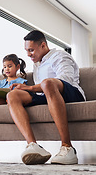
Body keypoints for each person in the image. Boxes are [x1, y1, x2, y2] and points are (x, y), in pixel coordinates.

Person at [7, 30, 86, 165]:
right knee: (12, 95)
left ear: (43, 45)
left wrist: (30, 88)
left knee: (47, 83)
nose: (28, 54)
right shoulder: (38, 63)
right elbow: (42, 89)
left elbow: (65, 79)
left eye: (31, 50)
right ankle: (33, 146)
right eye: (26, 50)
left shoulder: (60, 56)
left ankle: (67, 147)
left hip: (71, 93)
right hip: (48, 94)